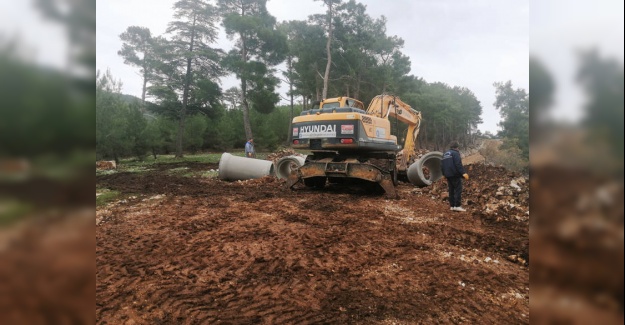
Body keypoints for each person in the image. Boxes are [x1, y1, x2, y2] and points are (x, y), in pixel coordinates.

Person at [441, 141, 469, 212]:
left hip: (448, 175)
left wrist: (444, 174)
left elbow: (442, 165)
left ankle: (452, 206)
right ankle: (457, 206)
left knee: (451, 190)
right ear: (457, 147)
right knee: (458, 190)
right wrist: (463, 173)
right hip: (454, 174)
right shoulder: (455, 153)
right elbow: (458, 164)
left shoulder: (445, 154)